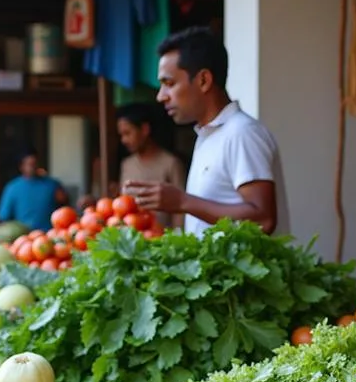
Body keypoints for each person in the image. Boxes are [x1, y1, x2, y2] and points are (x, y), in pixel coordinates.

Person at [123, 26, 288, 235]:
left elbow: (263, 219)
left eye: (169, 83)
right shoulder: (208, 136)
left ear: (203, 80)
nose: (161, 96)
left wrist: (182, 201)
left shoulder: (242, 133)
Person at [0, 148, 70, 230]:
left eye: (35, 164)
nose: (33, 167)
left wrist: (66, 200)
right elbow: (1, 218)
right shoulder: (13, 188)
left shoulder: (52, 185)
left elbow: (67, 210)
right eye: (30, 164)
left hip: (50, 236)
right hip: (24, 240)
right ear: (21, 167)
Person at [117, 103, 186, 189]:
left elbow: (182, 201)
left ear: (145, 129)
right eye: (121, 135)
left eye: (127, 133)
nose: (124, 140)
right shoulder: (127, 165)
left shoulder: (171, 164)